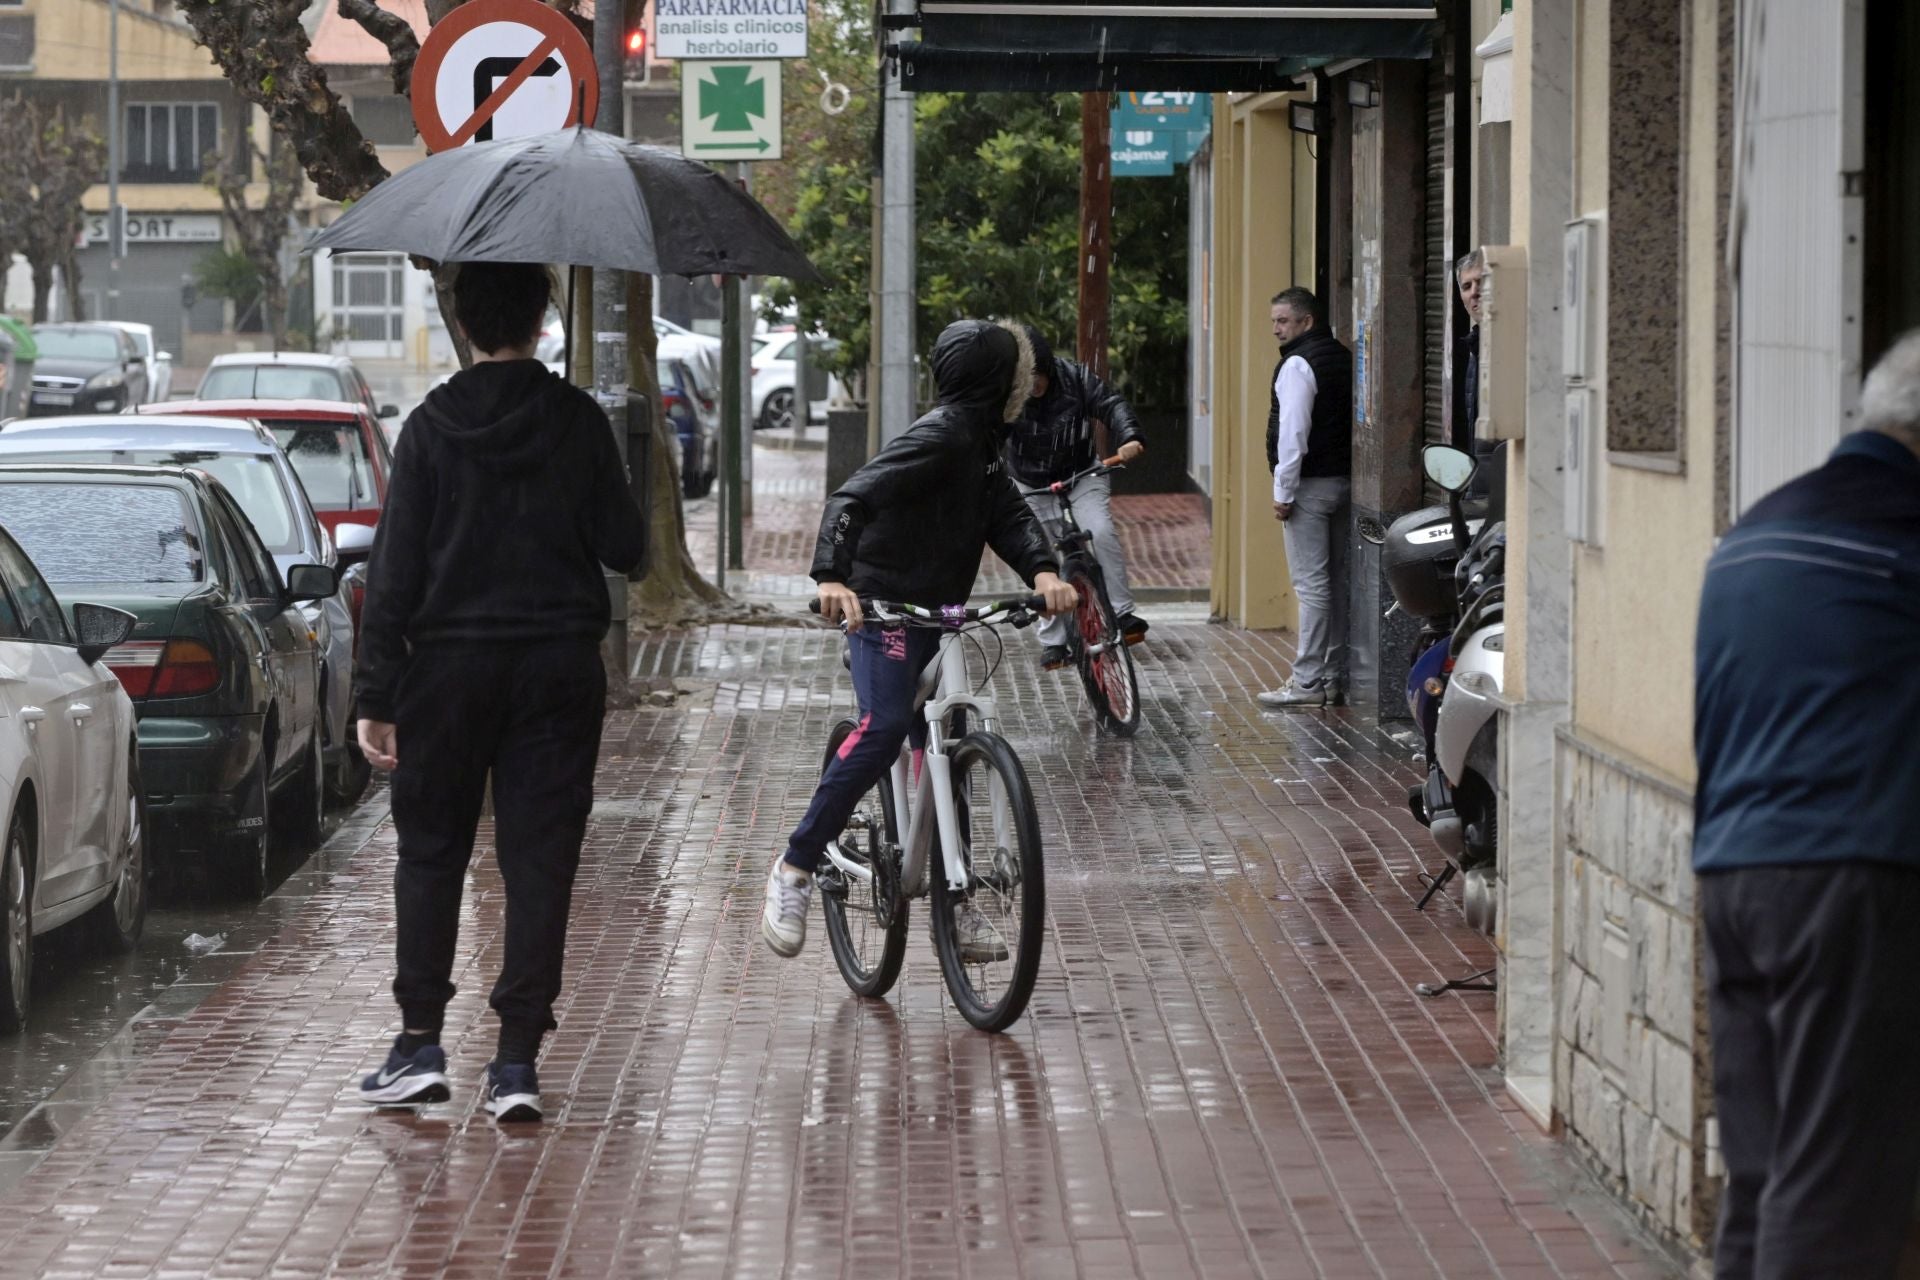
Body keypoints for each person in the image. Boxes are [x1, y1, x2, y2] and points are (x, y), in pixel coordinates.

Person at [353, 261, 646, 1122]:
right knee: (538, 859)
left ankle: (418, 1044)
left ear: (466, 320)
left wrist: (376, 692)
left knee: (432, 850)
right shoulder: (578, 420)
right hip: (557, 668)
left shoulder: (432, 427)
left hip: (446, 669)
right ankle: (515, 1063)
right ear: (542, 317)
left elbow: (394, 569)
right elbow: (628, 547)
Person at [1692, 329, 1920, 1278]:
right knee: (1834, 1193)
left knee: (1764, 1174)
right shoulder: (1902, 534)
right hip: (1849, 880)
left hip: (1734, 875)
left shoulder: (1756, 529)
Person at [762, 319, 1077, 960]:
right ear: (1001, 380)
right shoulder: (940, 436)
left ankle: (953, 908)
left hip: (940, 611)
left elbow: (1007, 514)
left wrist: (1044, 570)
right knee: (882, 730)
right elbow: (850, 498)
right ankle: (793, 867)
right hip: (884, 610)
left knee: (947, 747)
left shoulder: (985, 441)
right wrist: (831, 576)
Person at [1006, 325, 1149, 670]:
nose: (1034, 386)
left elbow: (1110, 404)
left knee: (1099, 531)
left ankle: (1123, 614)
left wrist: (1128, 435)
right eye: (1028, 378)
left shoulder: (1075, 378)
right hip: (1030, 484)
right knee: (1039, 557)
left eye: (1038, 378)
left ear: (1050, 370)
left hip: (1082, 475)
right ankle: (1053, 641)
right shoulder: (1005, 392)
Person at [1256, 287, 1353, 709]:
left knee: (1312, 586)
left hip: (1310, 487)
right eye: (1275, 321)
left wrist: (1284, 491)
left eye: (1283, 321)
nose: (1276, 329)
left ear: (1306, 321)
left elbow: (1293, 434)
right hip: (1344, 482)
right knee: (1335, 584)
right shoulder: (1340, 355)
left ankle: (1308, 682)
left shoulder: (1297, 364)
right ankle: (1331, 675)